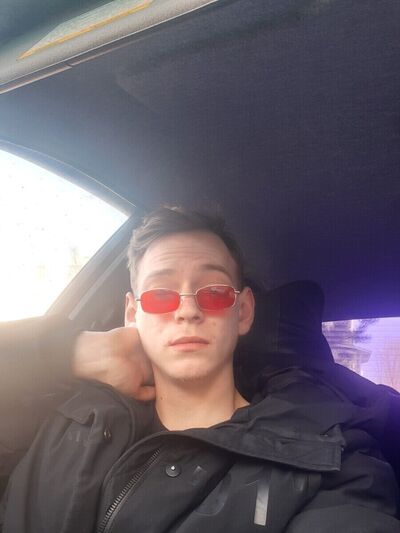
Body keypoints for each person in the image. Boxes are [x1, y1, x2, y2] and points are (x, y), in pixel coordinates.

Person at [1, 207, 400, 532]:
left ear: (243, 312)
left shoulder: (332, 461)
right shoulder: (64, 411)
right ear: (132, 313)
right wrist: (73, 350)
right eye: (160, 295)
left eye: (213, 292)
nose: (188, 310)